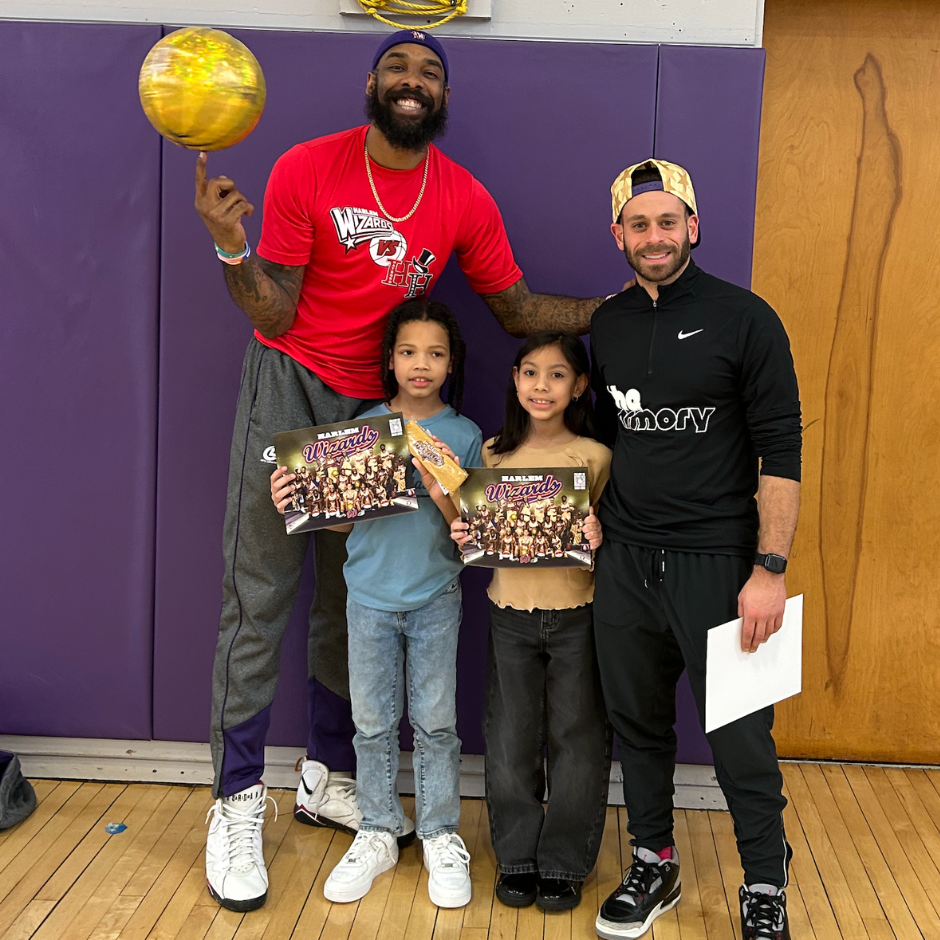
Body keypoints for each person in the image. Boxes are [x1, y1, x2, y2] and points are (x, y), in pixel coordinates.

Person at [194, 29, 607, 912]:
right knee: (261, 593)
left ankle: (324, 774)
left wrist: (620, 309)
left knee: (357, 603)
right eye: (398, 69)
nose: (412, 82)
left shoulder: (460, 195)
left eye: (430, 71)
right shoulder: (310, 167)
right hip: (293, 383)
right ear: (371, 83)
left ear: (442, 96)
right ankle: (233, 798)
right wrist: (235, 249)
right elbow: (276, 302)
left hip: (383, 414)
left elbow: (517, 307)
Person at [590, 160, 801, 940]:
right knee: (637, 724)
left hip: (722, 563)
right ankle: (654, 860)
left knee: (742, 735)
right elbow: (607, 437)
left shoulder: (747, 319)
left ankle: (766, 885)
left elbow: (781, 449)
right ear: (618, 235)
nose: (654, 236)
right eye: (638, 224)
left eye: (667, 220)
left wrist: (769, 570)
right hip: (627, 563)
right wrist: (593, 515)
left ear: (693, 226)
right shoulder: (607, 325)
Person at [272, 299, 480, 907]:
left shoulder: (465, 435)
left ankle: (440, 831)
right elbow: (343, 524)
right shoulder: (364, 428)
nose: (422, 365)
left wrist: (442, 485)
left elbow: (474, 532)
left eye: (436, 354)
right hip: (365, 599)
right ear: (390, 360)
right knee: (370, 723)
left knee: (437, 723)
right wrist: (300, 499)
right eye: (409, 352)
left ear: (450, 363)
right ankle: (378, 828)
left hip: (436, 597)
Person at [451, 331, 611, 912]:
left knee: (578, 739)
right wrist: (465, 532)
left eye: (558, 374)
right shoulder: (491, 455)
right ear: (515, 380)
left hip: (579, 616)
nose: (542, 386)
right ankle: (517, 858)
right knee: (510, 736)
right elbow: (472, 530)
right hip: (510, 616)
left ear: (579, 386)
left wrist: (598, 536)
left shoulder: (595, 457)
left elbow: (609, 539)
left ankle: (565, 861)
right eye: (530, 373)